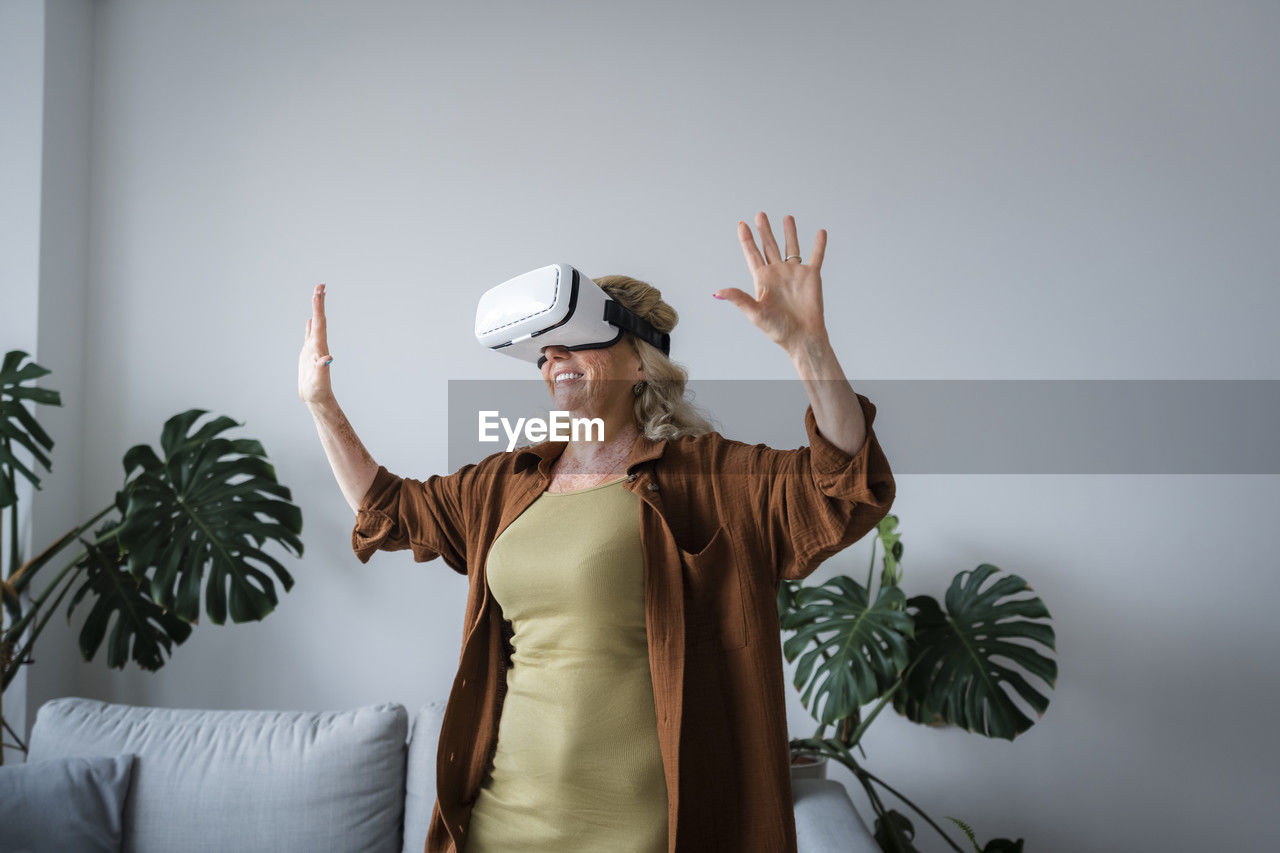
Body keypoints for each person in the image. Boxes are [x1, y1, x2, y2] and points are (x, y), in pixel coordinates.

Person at [299, 211, 896, 853]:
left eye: (576, 341)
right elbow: (387, 507)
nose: (554, 358)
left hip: (642, 832)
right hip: (500, 826)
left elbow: (841, 487)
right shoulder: (508, 481)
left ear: (639, 362)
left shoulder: (708, 477)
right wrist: (320, 404)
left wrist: (809, 346)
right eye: (545, 350)